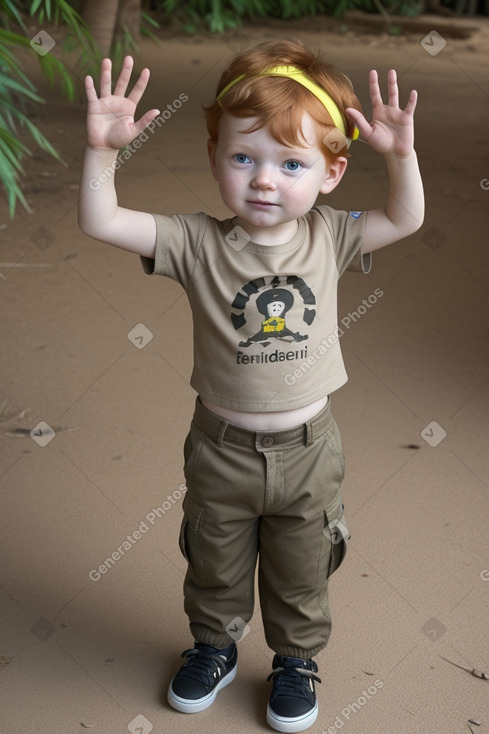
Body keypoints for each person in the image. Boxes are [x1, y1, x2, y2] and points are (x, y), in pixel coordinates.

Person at [79, 39, 423, 733]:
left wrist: (401, 157)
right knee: (213, 557)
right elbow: (100, 219)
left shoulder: (330, 235)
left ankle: (295, 660)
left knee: (302, 566)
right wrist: (101, 150)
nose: (264, 179)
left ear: (330, 172)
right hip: (220, 448)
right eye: (244, 157)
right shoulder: (195, 242)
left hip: (308, 451)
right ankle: (213, 647)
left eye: (290, 162)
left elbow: (405, 218)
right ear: (214, 160)